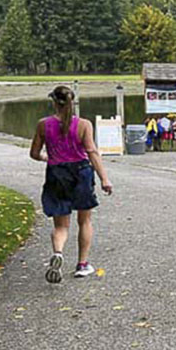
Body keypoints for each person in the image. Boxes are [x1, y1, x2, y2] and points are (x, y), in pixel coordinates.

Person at [29, 86, 114, 282]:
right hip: (81, 173)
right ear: (72, 103)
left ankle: (58, 253)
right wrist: (104, 179)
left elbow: (34, 154)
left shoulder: (43, 125)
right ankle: (82, 265)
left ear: (53, 102)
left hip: (57, 174)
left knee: (61, 225)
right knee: (84, 220)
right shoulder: (84, 124)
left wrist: (46, 158)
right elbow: (92, 152)